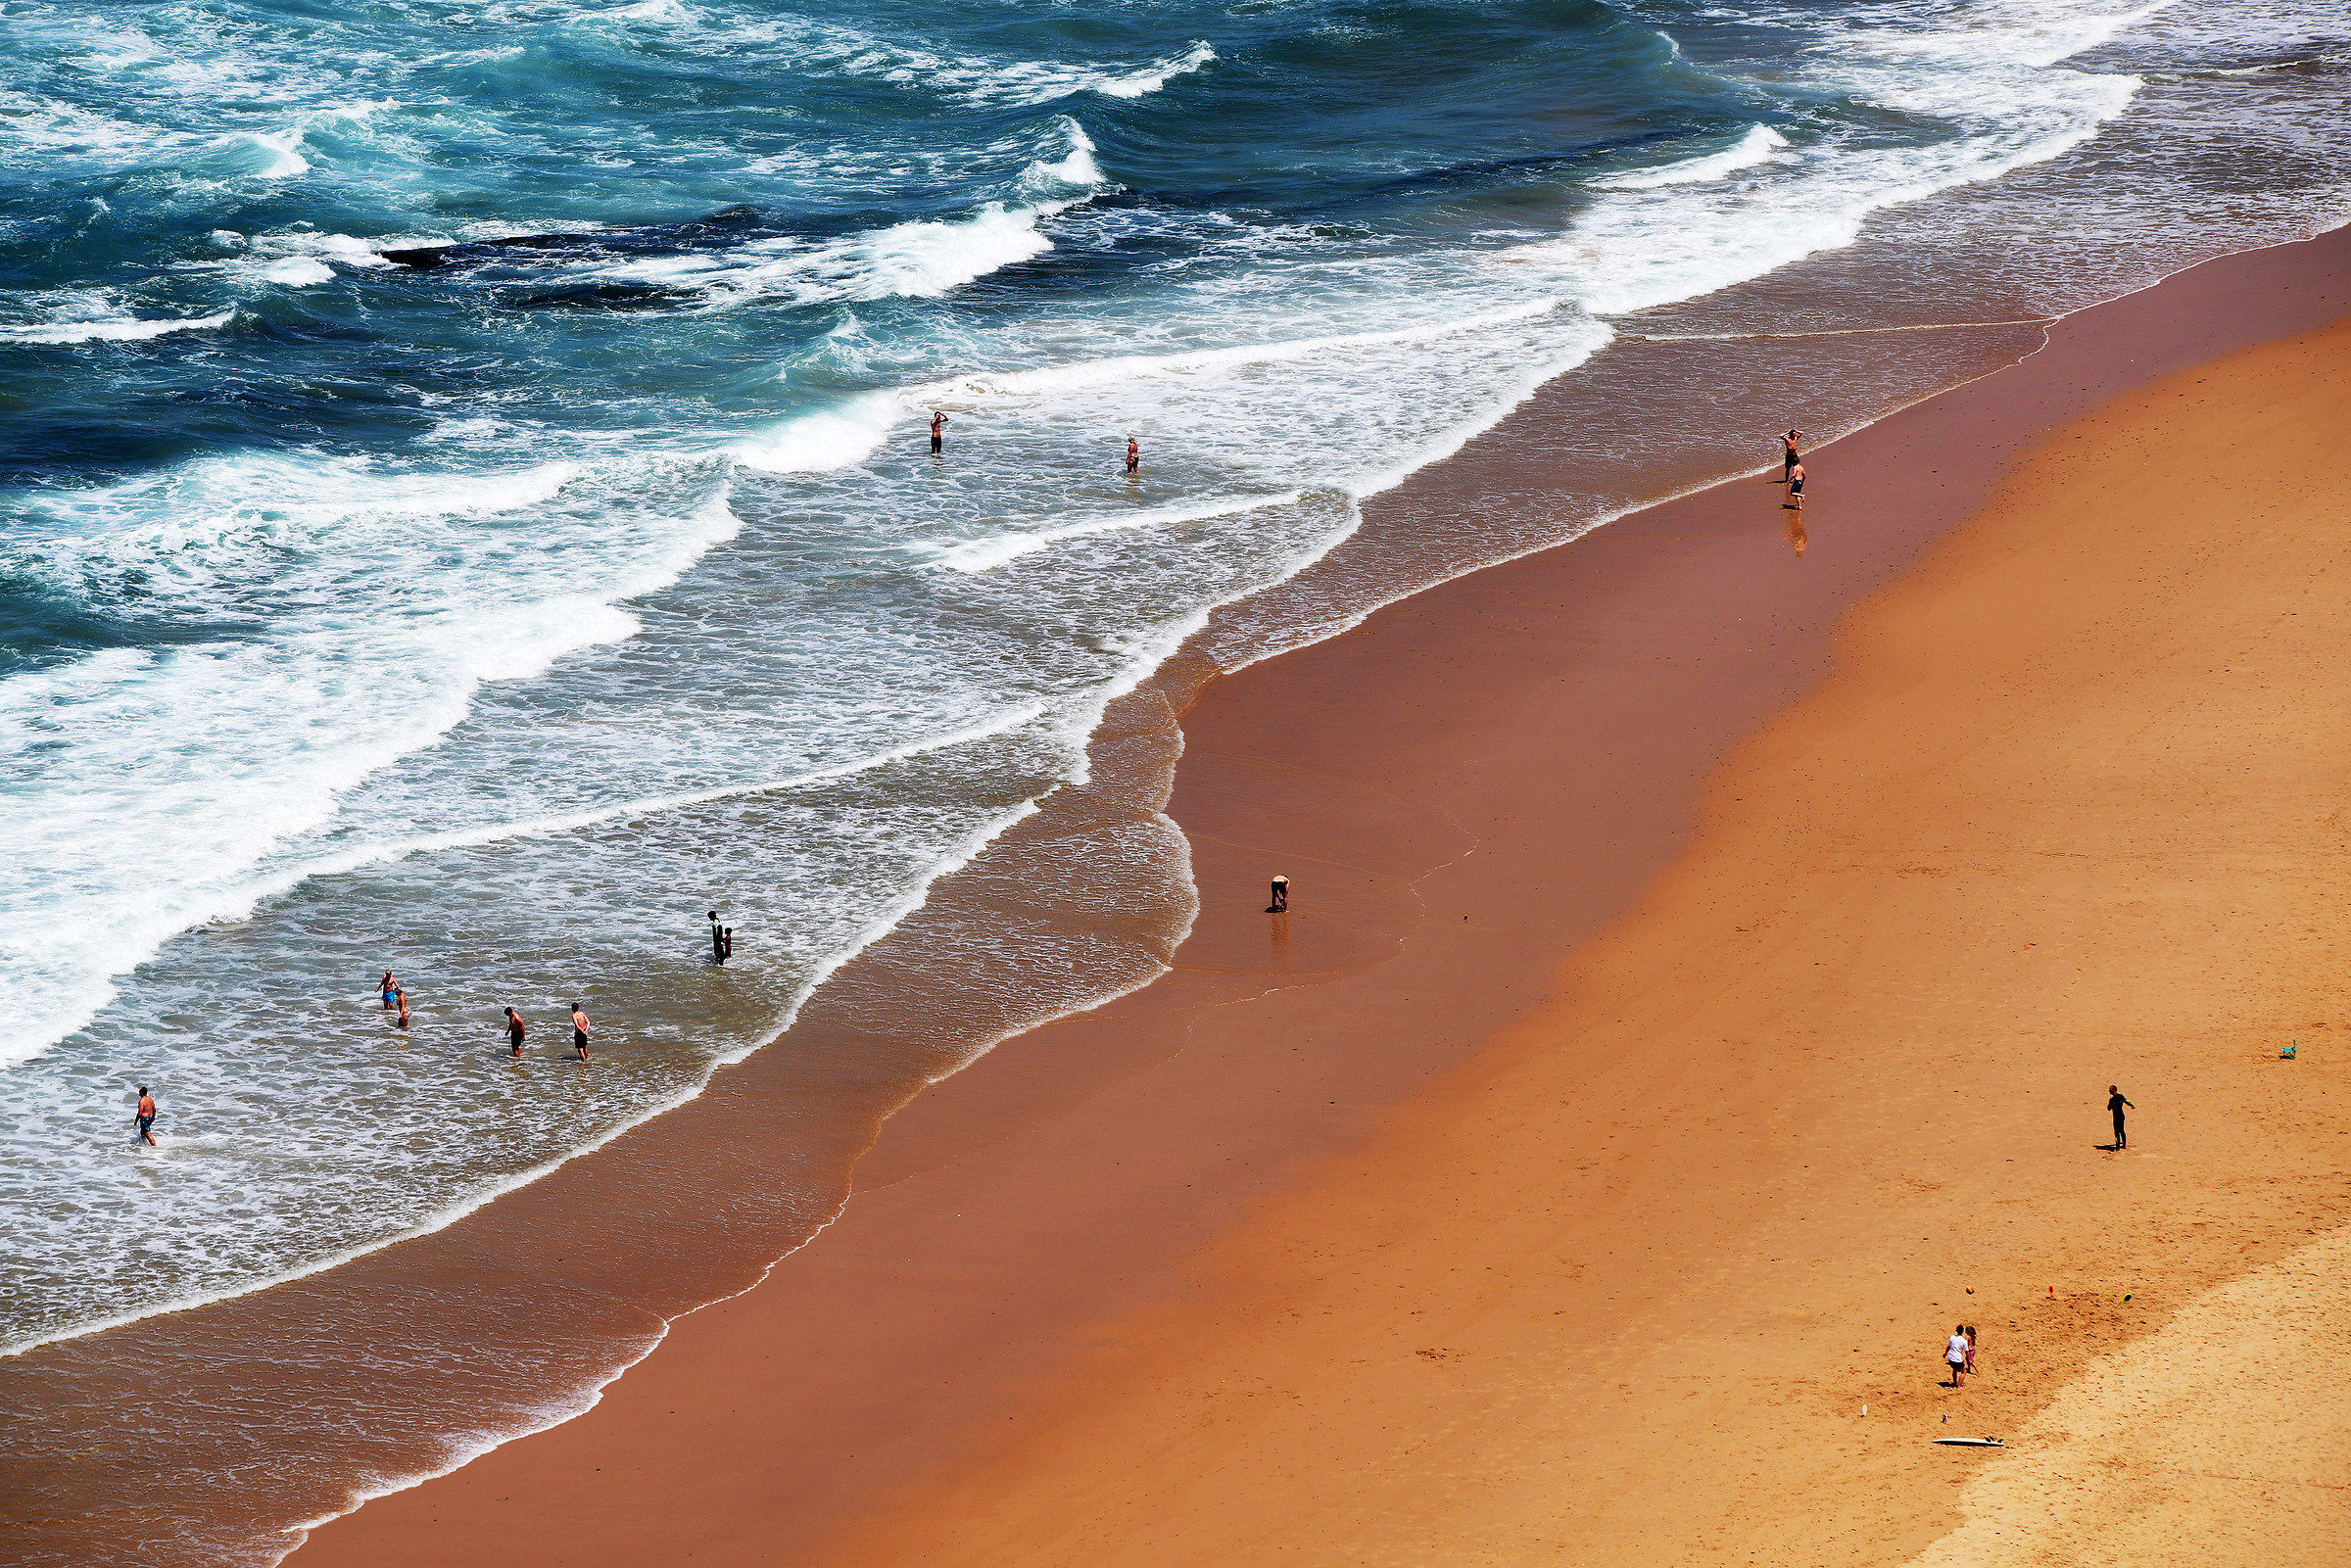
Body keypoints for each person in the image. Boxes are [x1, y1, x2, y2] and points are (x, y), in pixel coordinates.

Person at [2108, 1084, 2135, 1149]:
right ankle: (2124, 1144)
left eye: (2110, 1090)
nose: (2109, 1091)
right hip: (2121, 1116)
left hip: (2116, 1117)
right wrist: (2132, 1105)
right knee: (2122, 1130)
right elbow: (2127, 1101)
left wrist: (2111, 1106)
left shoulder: (2111, 1100)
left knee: (2116, 1132)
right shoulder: (2121, 1096)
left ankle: (2117, 1146)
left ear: (2113, 1090)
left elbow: (2108, 1108)